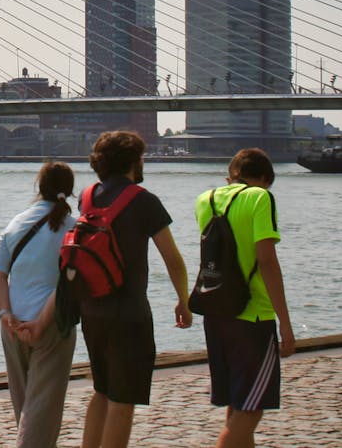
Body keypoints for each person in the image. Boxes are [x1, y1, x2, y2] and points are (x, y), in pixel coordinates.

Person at [78, 131, 192, 448]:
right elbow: (173, 259)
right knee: (123, 400)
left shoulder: (87, 197)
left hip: (91, 310)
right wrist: (183, 300)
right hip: (128, 315)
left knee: (101, 390)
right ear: (133, 160)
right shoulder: (143, 201)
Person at [194, 148, 295, 448]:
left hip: (216, 311)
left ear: (231, 175)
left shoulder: (206, 199)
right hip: (253, 316)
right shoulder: (259, 197)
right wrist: (285, 325)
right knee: (251, 410)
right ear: (265, 179)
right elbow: (266, 261)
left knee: (238, 406)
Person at [0, 161, 78, 448]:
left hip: (13, 324)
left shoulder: (16, 223)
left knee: (24, 406)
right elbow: (68, 281)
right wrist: (41, 323)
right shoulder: (74, 228)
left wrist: (5, 314)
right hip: (51, 324)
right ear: (70, 190)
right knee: (43, 408)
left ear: (39, 188)